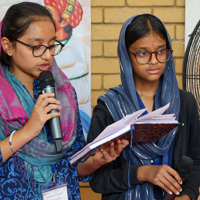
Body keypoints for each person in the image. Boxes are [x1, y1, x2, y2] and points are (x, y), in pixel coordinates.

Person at [0, 2, 129, 199]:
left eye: (51, 45)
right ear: (8, 46)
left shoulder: (64, 92)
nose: (47, 55)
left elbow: (72, 166)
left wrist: (97, 161)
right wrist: (28, 131)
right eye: (36, 47)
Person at [87, 14, 200, 200]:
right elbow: (97, 179)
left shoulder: (185, 103)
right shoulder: (108, 107)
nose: (154, 60)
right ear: (126, 55)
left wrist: (187, 195)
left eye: (161, 51)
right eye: (142, 53)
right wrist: (143, 173)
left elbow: (196, 161)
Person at [44, 0, 91, 138]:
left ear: (63, 22)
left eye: (49, 13)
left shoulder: (71, 50)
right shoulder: (55, 45)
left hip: (72, 116)